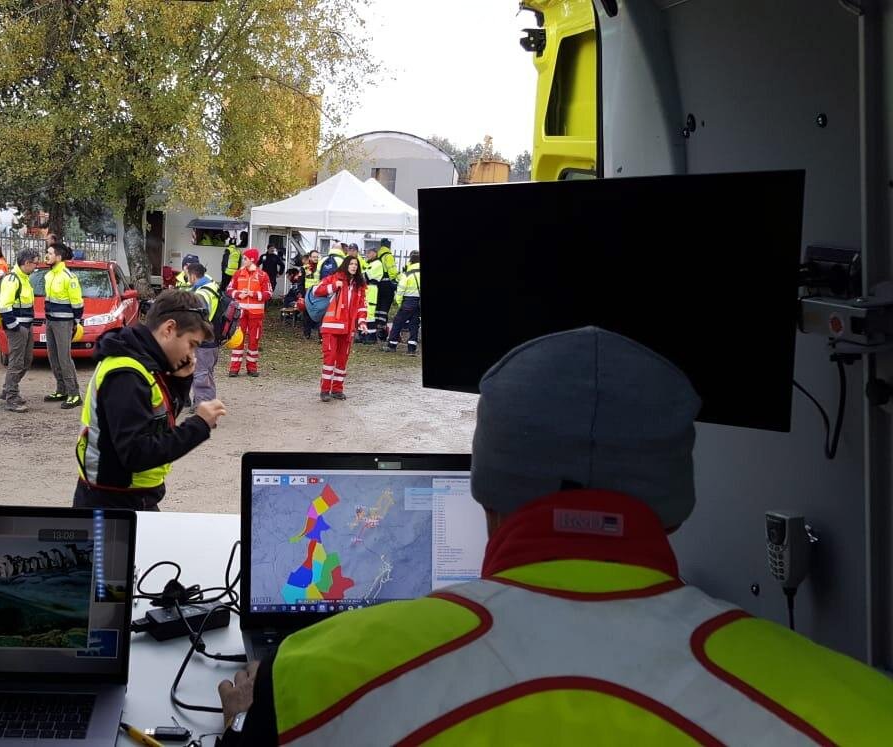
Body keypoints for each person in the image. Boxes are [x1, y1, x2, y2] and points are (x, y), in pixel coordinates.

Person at [215, 327, 893, 745]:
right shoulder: (864, 710)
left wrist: (245, 716)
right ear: (678, 506)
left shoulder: (309, 678)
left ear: (484, 494)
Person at [72, 290, 227, 510]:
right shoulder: (126, 374)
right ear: (169, 329)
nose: (193, 355)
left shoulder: (146, 362)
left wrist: (180, 382)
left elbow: (159, 421)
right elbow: (137, 453)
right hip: (111, 506)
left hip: (132, 497)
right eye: (191, 344)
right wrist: (198, 426)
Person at [313, 255, 367, 401]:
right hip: (331, 327)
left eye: (356, 264)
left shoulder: (359, 285)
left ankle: (337, 389)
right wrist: (333, 286)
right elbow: (316, 290)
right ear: (345, 265)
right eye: (351, 264)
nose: (354, 266)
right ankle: (325, 390)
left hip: (348, 329)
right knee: (330, 359)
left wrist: (362, 322)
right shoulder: (334, 277)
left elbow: (362, 305)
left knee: (342, 360)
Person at [0, 249, 39, 413]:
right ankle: (12, 397)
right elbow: (4, 306)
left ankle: (8, 389)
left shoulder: (24, 278)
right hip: (18, 328)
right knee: (17, 362)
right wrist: (15, 327)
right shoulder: (12, 280)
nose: (36, 267)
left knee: (26, 361)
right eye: (35, 263)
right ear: (27, 263)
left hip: (25, 326)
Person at [43, 243, 84, 408]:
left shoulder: (68, 276)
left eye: (50, 253)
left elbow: (77, 302)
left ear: (58, 257)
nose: (47, 255)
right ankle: (61, 390)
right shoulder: (49, 275)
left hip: (64, 323)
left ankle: (74, 394)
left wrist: (76, 322)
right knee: (53, 357)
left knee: (64, 358)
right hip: (51, 321)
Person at [227, 248, 271, 377]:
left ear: (252, 260)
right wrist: (239, 294)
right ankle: (234, 369)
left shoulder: (263, 275)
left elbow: (268, 294)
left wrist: (254, 294)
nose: (243, 260)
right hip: (240, 313)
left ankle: (252, 368)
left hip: (256, 315)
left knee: (254, 341)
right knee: (238, 339)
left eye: (245, 258)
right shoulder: (238, 274)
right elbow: (229, 290)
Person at [187, 263, 219, 406]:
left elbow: (197, 319)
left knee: (201, 376)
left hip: (203, 340)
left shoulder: (201, 294)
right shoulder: (211, 286)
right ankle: (206, 405)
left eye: (188, 276)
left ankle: (204, 410)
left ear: (193, 276)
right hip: (213, 338)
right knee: (206, 374)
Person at [385, 250, 421, 355]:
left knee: (398, 323)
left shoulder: (407, 274)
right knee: (414, 325)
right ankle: (411, 348)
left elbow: (400, 290)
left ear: (410, 261)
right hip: (418, 303)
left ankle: (392, 345)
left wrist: (400, 302)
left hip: (407, 301)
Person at [374, 237, 398, 340]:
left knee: (378, 306)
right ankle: (382, 328)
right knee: (384, 306)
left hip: (378, 284)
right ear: (388, 245)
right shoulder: (388, 256)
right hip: (387, 283)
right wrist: (396, 280)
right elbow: (392, 271)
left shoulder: (377, 255)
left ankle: (376, 327)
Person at [360, 247, 384, 344]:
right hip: (367, 289)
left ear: (374, 253)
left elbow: (366, 276)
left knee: (370, 313)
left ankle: (371, 336)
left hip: (371, 289)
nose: (367, 255)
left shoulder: (377, 264)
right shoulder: (370, 263)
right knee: (365, 311)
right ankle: (365, 334)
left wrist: (361, 274)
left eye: (369, 253)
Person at [302, 250, 321, 341]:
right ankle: (307, 333)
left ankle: (320, 335)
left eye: (317, 257)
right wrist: (301, 294)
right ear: (309, 257)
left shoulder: (321, 267)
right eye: (314, 257)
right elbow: (300, 282)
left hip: (319, 294)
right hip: (307, 294)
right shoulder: (305, 268)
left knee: (320, 314)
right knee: (306, 314)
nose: (315, 259)